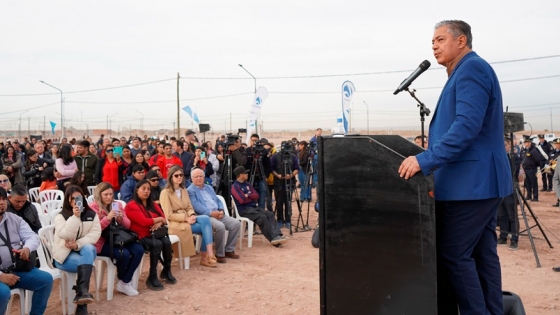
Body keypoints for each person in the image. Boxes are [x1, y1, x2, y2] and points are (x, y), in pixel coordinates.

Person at [398, 20, 512, 315]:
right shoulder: (463, 71)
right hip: (477, 184)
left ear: (461, 41)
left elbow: (466, 126)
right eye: (432, 41)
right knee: (482, 254)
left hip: (472, 184)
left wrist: (424, 160)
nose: (433, 45)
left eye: (439, 39)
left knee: (454, 253)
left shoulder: (471, 68)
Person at [0, 187, 53, 315]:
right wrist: (1, 276)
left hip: (16, 269)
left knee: (45, 280)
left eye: (3, 199)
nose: (1, 202)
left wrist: (27, 248)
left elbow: (32, 236)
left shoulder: (14, 219)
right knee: (3, 292)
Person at [52, 185, 100, 315]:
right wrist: (75, 217)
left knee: (89, 248)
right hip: (63, 256)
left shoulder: (91, 214)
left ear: (83, 198)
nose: (75, 201)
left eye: (78, 198)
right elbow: (65, 235)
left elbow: (95, 234)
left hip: (83, 252)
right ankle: (82, 301)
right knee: (86, 265)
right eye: (72, 198)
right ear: (67, 200)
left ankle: (82, 294)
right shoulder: (60, 216)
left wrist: (77, 245)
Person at [90, 182, 143, 296]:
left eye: (110, 194)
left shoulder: (116, 205)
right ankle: (124, 280)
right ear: (99, 195)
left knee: (138, 249)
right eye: (106, 195)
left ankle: (124, 281)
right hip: (101, 241)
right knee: (123, 253)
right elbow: (94, 229)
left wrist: (121, 218)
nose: (109, 197)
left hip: (118, 238)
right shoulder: (93, 208)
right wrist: (107, 218)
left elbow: (127, 225)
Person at [160, 166, 217, 268]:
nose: (179, 177)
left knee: (205, 219)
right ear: (171, 177)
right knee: (206, 227)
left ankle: (208, 254)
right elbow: (169, 215)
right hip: (176, 223)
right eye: (176, 175)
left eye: (181, 175)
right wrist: (186, 218)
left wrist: (192, 215)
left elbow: (189, 207)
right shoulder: (165, 193)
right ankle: (206, 256)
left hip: (188, 219)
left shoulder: (183, 190)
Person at [125, 180, 175, 290]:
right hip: (139, 235)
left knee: (166, 242)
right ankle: (152, 276)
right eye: (143, 188)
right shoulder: (131, 205)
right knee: (156, 244)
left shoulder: (151, 204)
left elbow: (164, 218)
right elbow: (143, 221)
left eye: (148, 189)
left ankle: (166, 270)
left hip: (153, 234)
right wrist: (159, 219)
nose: (146, 191)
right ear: (137, 190)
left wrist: (159, 222)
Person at [188, 168, 240, 263]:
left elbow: (217, 200)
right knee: (220, 227)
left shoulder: (209, 187)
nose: (199, 178)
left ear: (204, 177)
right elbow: (196, 206)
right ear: (192, 178)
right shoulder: (190, 190)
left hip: (218, 213)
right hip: (206, 216)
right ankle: (219, 254)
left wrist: (221, 210)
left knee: (236, 223)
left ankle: (228, 249)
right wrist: (212, 213)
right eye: (196, 177)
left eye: (201, 176)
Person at [231, 166, 287, 246]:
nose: (247, 174)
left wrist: (248, 195)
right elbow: (241, 200)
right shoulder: (235, 187)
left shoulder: (247, 184)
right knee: (262, 217)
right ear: (241, 175)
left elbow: (256, 195)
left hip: (253, 207)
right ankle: (273, 238)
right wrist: (249, 196)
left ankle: (277, 235)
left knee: (270, 214)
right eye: (245, 173)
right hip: (244, 210)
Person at [497, 138, 521, 250]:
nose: (503, 147)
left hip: (510, 190)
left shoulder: (514, 157)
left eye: (505, 145)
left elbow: (513, 172)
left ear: (509, 145)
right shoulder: (499, 157)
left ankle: (514, 239)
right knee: (502, 215)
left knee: (512, 216)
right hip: (500, 191)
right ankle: (503, 236)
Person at [270, 141, 299, 229]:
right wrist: (277, 175)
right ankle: (279, 220)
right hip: (278, 183)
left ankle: (288, 220)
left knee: (288, 202)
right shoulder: (275, 156)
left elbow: (297, 168)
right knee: (279, 202)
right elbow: (272, 168)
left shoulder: (293, 156)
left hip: (290, 182)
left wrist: (291, 175)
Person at [550, 139, 560, 207]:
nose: (557, 145)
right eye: (556, 144)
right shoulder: (553, 152)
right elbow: (556, 179)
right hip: (555, 170)